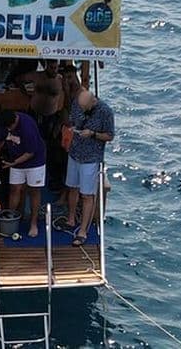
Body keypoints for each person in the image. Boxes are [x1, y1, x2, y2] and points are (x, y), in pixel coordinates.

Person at [65, 90, 115, 246]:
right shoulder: (77, 104)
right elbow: (72, 120)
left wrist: (93, 134)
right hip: (74, 153)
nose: (82, 109)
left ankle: (83, 231)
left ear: (93, 102)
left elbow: (110, 136)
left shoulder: (105, 111)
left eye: (84, 107)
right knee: (72, 187)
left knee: (87, 195)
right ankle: (71, 218)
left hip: (91, 158)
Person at [0, 110, 47, 237]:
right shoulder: (4, 125)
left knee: (34, 190)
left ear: (14, 122)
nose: (7, 130)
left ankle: (33, 223)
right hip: (15, 160)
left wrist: (14, 163)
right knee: (14, 189)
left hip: (35, 162)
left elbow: (30, 153)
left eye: (9, 128)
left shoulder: (28, 127)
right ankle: (11, 217)